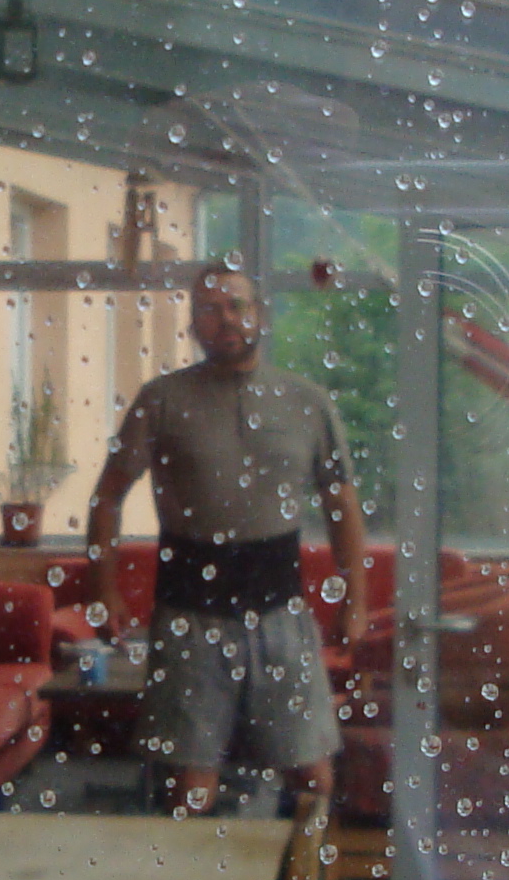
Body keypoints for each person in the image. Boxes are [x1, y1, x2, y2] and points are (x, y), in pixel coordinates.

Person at [85, 265, 370, 818]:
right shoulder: (161, 400)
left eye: (237, 306)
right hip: (189, 616)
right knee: (191, 791)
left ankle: (299, 877)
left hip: (283, 615)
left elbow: (342, 505)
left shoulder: (307, 402)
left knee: (313, 777)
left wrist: (355, 599)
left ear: (259, 314)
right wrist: (104, 590)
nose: (227, 320)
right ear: (193, 325)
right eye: (210, 310)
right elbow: (107, 497)